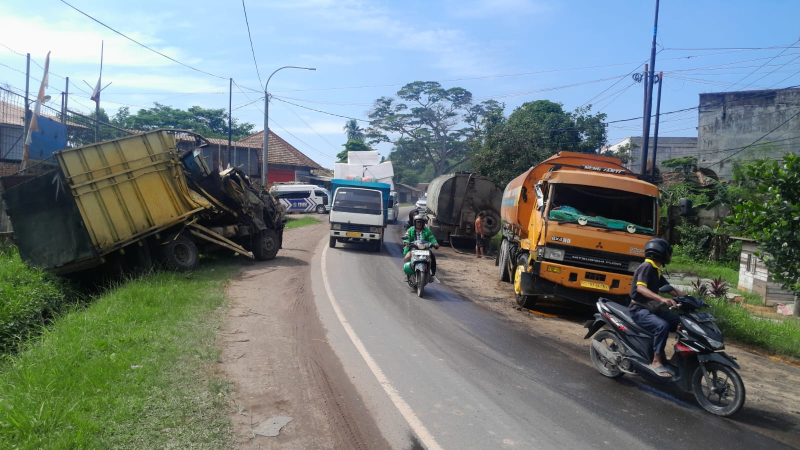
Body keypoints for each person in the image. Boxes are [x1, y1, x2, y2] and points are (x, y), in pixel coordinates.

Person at [629, 238, 685, 377]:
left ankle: (675, 359)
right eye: (668, 253)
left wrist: (690, 298)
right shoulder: (646, 267)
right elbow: (641, 288)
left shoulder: (656, 269)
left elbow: (670, 289)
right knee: (662, 326)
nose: (669, 256)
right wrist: (661, 298)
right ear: (661, 253)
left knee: (682, 323)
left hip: (652, 309)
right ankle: (656, 361)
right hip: (639, 310)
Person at [403, 215, 440, 283]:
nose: (419, 224)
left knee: (432, 258)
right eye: (418, 222)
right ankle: (407, 274)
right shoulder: (410, 229)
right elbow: (407, 236)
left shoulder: (427, 230)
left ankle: (433, 275)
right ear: (415, 222)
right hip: (413, 249)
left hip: (425, 249)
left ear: (424, 223)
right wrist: (406, 242)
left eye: (421, 222)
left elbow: (432, 238)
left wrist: (435, 244)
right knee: (406, 258)